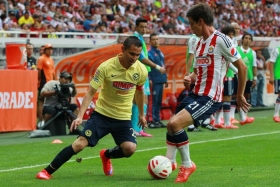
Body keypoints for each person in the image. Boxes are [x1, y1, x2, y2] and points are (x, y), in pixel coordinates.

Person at [36, 36, 148, 180]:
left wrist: (141, 115)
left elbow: (139, 92)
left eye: (137, 55)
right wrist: (80, 116)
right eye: (131, 54)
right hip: (102, 115)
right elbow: (89, 93)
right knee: (79, 144)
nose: (134, 58)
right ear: (122, 50)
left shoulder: (141, 70)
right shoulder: (106, 67)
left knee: (130, 149)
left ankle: (106, 155)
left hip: (123, 118)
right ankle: (46, 171)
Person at [165, 3, 250, 183]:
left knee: (175, 124)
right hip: (196, 94)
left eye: (191, 24)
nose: (190, 28)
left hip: (211, 97)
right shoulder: (198, 43)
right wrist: (191, 78)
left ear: (201, 21)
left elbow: (242, 67)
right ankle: (169, 163)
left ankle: (186, 164)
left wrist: (240, 94)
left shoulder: (222, 40)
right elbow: (198, 72)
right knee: (171, 125)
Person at [132, 17, 165, 135]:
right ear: (136, 27)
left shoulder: (140, 39)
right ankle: (135, 129)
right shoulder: (135, 39)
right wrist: (157, 67)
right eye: (141, 27)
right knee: (138, 100)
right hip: (138, 73)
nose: (144, 29)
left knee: (142, 100)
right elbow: (141, 57)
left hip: (144, 73)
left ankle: (138, 128)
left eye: (146, 27)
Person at [214, 26, 239, 129]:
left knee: (221, 98)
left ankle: (217, 121)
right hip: (227, 74)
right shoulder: (225, 44)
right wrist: (237, 70)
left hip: (223, 74)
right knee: (226, 98)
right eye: (230, 34)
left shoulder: (225, 43)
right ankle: (227, 123)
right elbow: (229, 61)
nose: (231, 36)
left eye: (232, 34)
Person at [148, 33, 168, 128]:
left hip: (161, 80)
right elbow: (147, 67)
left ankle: (157, 120)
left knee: (159, 102)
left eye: (157, 39)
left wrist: (166, 78)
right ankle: (151, 120)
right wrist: (149, 78)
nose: (156, 41)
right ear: (150, 41)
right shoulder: (149, 53)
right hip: (154, 80)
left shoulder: (160, 52)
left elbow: (163, 66)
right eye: (154, 39)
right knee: (153, 101)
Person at [236, 33, 257, 125]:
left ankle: (245, 116)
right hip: (238, 76)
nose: (247, 40)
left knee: (246, 97)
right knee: (238, 96)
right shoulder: (237, 50)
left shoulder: (253, 52)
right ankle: (241, 117)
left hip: (248, 77)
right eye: (246, 38)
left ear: (251, 41)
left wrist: (255, 78)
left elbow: (254, 66)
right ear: (242, 39)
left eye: (249, 38)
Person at [37, 44, 55, 128]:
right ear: (45, 50)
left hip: (50, 82)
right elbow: (39, 72)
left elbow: (53, 72)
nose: (50, 50)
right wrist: (39, 81)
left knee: (49, 101)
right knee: (42, 101)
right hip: (44, 82)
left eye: (51, 49)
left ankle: (45, 120)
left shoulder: (51, 59)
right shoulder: (41, 59)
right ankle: (41, 121)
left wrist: (54, 81)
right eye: (48, 49)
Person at [230, 22, 241, 123]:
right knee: (225, 95)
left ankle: (231, 117)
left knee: (233, 94)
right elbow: (228, 58)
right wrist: (236, 70)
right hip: (227, 71)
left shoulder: (235, 40)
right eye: (236, 28)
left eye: (239, 28)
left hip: (232, 71)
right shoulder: (228, 40)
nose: (238, 30)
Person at [268, 46, 280, 122]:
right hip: (278, 75)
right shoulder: (276, 49)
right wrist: (271, 76)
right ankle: (276, 115)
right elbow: (271, 63)